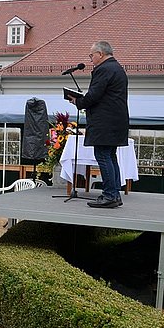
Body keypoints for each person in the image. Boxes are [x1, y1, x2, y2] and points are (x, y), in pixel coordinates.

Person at [68, 40, 129, 208]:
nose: (90, 59)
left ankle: (109, 195)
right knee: (110, 156)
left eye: (91, 55)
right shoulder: (117, 68)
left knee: (103, 155)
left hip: (105, 122)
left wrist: (78, 101)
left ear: (100, 54)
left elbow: (94, 95)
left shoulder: (103, 69)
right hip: (117, 121)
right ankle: (115, 194)